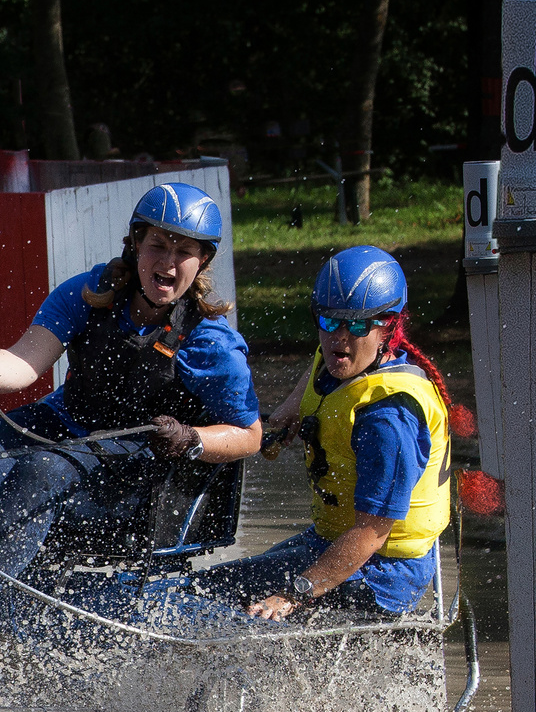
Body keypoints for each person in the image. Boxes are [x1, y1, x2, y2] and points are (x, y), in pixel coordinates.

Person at [0, 182, 262, 578]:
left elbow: (249, 434)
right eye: (157, 245)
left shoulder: (210, 342)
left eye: (184, 251)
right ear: (135, 243)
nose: (168, 262)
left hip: (133, 477)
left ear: (202, 261)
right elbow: (22, 363)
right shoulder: (87, 293)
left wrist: (192, 438)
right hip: (63, 425)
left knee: (41, 471)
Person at [194, 245, 468, 621]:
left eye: (357, 325)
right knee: (207, 588)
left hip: (382, 574)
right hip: (329, 541)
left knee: (232, 611)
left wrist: (293, 594)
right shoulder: (342, 358)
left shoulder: (388, 419)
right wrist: (289, 414)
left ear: (389, 326)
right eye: (328, 322)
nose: (340, 337)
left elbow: (371, 534)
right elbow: (315, 377)